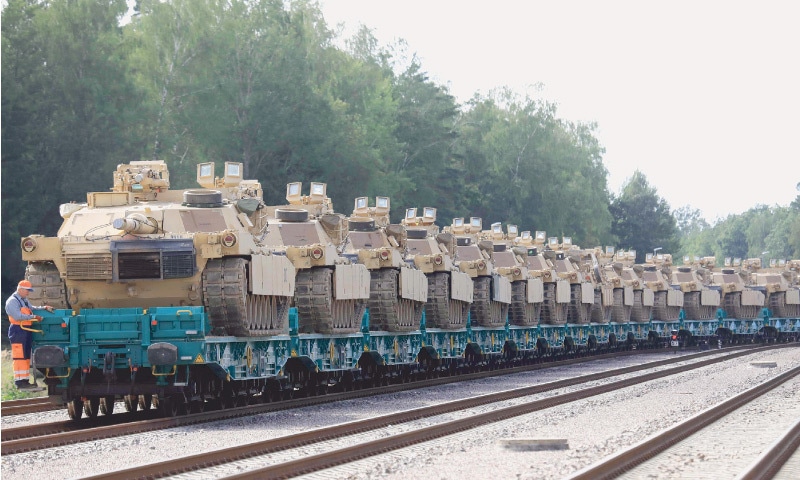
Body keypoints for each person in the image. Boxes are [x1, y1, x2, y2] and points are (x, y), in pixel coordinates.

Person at [6, 280, 54, 390]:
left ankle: (25, 381)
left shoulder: (23, 300)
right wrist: (34, 318)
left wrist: (44, 308)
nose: (28, 293)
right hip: (17, 331)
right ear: (20, 289)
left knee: (26, 357)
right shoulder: (12, 301)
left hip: (25, 330)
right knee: (20, 357)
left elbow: (32, 309)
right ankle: (20, 382)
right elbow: (18, 316)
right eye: (27, 291)